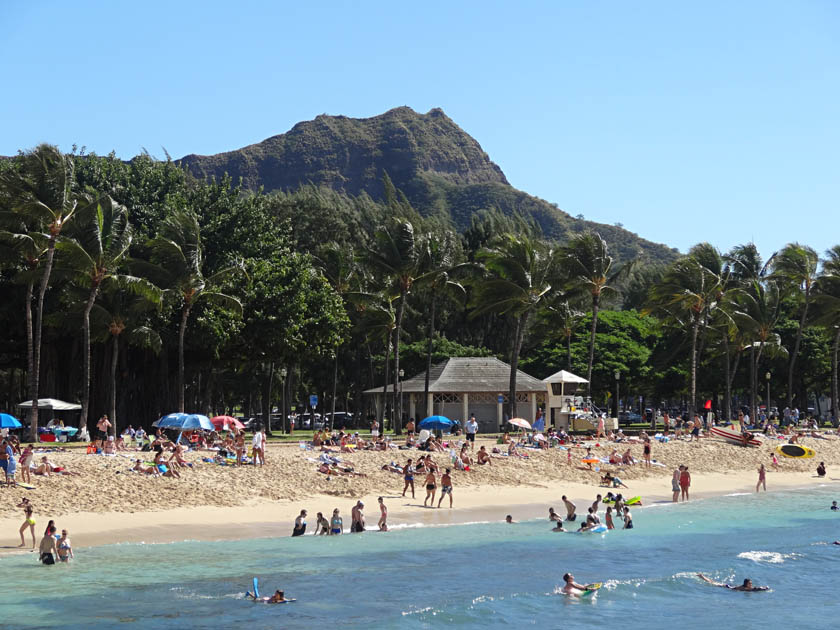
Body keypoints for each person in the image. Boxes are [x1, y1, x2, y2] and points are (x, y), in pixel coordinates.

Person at [697, 574, 768, 591]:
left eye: (751, 583)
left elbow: (757, 588)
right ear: (746, 584)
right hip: (728, 587)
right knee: (712, 583)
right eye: (750, 583)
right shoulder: (743, 588)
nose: (751, 584)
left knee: (713, 582)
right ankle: (702, 576)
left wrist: (765, 588)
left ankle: (702, 576)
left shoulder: (749, 588)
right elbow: (756, 589)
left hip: (731, 586)